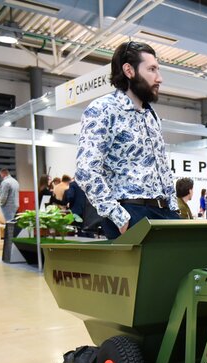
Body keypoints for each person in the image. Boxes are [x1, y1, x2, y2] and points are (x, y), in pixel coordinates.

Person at [75, 40, 179, 240]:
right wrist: (118, 216)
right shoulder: (103, 109)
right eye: (152, 70)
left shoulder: (151, 115)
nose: (159, 78)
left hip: (165, 212)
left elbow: (162, 167)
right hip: (131, 212)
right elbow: (86, 170)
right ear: (129, 70)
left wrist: (173, 208)